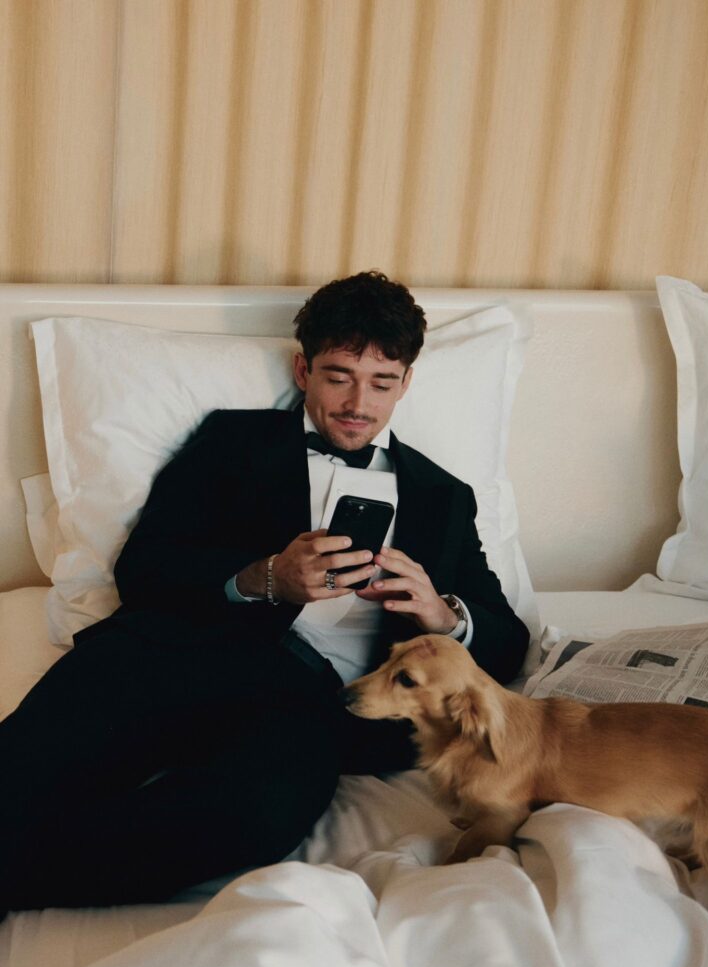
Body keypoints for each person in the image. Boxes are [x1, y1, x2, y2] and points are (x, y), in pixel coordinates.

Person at [0, 271, 529, 914]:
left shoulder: (444, 496)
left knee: (258, 815)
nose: (358, 403)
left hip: (316, 704)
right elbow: (144, 568)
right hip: (182, 652)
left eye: (381, 383)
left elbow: (509, 640)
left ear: (406, 383)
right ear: (303, 370)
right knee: (39, 755)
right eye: (339, 376)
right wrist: (265, 576)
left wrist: (443, 615)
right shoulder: (233, 441)